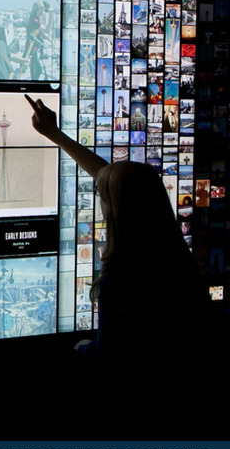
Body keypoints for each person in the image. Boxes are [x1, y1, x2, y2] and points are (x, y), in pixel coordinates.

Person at [25, 95, 210, 388]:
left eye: (104, 198)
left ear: (116, 211)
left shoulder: (122, 279)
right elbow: (116, 181)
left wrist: (81, 348)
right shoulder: (178, 263)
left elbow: (109, 358)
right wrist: (55, 134)